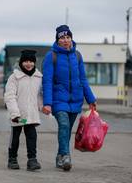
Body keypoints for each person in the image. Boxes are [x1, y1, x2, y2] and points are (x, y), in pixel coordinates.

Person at [42, 25, 97, 171]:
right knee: (64, 125)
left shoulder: (77, 56)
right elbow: (47, 81)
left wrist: (90, 99)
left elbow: (83, 79)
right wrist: (47, 103)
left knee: (66, 131)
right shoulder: (51, 56)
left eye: (68, 37)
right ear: (58, 40)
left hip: (76, 100)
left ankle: (59, 157)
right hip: (59, 100)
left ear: (71, 38)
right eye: (62, 38)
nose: (65, 40)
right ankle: (66, 156)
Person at [4, 49, 42, 171]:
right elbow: (10, 96)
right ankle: (12, 159)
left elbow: (40, 95)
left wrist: (44, 107)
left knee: (32, 136)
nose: (28, 64)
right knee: (15, 136)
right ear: (21, 62)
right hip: (18, 115)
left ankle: (32, 160)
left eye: (31, 61)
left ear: (34, 63)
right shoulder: (14, 77)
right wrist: (15, 113)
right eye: (26, 61)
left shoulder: (38, 77)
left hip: (31, 116)